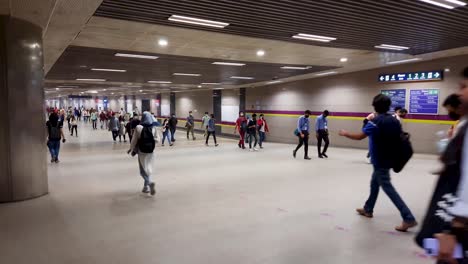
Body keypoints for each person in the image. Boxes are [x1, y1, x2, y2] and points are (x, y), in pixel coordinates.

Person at [339, 94, 417, 232]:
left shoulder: (375, 121)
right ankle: (368, 209)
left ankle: (408, 217)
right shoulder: (394, 120)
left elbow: (360, 136)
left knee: (387, 187)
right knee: (374, 183)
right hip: (389, 158)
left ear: (375, 106)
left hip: (380, 160)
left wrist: (345, 133)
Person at [416, 68, 468, 263]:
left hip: (456, 226)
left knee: (447, 254)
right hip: (449, 215)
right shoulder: (463, 126)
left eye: (464, 87)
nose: (460, 94)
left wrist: (455, 229)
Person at [128, 111, 160, 196]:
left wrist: (131, 149)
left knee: (142, 171)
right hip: (151, 151)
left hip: (141, 152)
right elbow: (158, 140)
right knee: (148, 169)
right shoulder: (154, 127)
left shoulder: (138, 127)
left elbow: (134, 140)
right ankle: (146, 188)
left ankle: (149, 183)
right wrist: (151, 141)